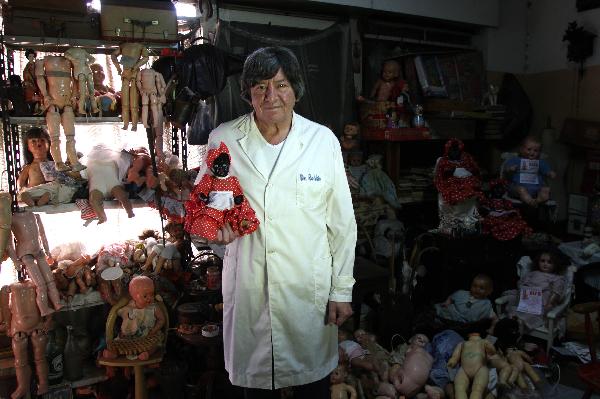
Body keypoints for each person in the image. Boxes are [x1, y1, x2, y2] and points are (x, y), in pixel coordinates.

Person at [191, 46, 357, 398]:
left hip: (305, 293)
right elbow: (203, 209)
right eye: (260, 86)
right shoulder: (224, 139)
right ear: (248, 93)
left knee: (313, 386)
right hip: (251, 287)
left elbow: (342, 224)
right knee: (256, 389)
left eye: (280, 85)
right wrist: (212, 232)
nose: (271, 96)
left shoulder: (321, 141)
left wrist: (341, 290)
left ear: (295, 89)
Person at [502, 250, 566, 332]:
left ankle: (520, 324)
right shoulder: (533, 273)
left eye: (549, 262)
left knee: (534, 315)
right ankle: (514, 321)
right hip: (527, 299)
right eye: (542, 261)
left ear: (556, 264)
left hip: (541, 303)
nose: (545, 264)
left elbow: (556, 292)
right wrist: (524, 289)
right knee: (516, 308)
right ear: (538, 261)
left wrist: (550, 302)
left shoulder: (556, 278)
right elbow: (522, 283)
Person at [17, 127, 75, 207]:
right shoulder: (29, 167)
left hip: (50, 190)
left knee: (59, 189)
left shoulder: (55, 164)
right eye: (33, 141)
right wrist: (21, 189)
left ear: (49, 144)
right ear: (28, 147)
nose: (38, 143)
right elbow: (21, 181)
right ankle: (31, 198)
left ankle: (44, 198)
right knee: (25, 193)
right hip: (34, 191)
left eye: (42, 140)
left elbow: (64, 178)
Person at [503, 135, 556, 207]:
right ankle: (530, 201)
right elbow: (506, 169)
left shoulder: (540, 162)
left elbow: (547, 170)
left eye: (535, 150)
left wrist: (550, 173)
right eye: (529, 149)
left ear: (539, 152)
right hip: (518, 186)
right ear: (521, 149)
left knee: (546, 189)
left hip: (537, 188)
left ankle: (538, 200)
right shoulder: (516, 160)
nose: (532, 152)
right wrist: (510, 168)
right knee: (521, 190)